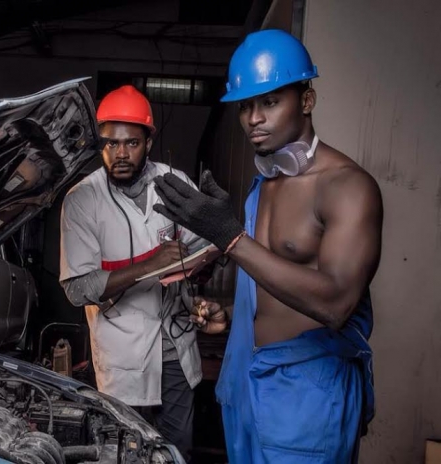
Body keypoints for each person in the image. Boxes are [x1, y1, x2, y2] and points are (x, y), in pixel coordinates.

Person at [153, 29, 383, 463]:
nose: (254, 118)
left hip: (306, 394)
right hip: (248, 385)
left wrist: (231, 237)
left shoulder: (349, 188)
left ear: (307, 101)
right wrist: (235, 318)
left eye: (270, 101)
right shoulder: (266, 184)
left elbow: (335, 302)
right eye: (245, 106)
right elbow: (271, 285)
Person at [59, 84, 210, 459]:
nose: (120, 153)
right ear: (99, 145)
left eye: (132, 143)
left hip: (176, 350)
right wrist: (150, 265)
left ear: (149, 142)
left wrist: (201, 275)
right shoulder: (82, 199)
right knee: (124, 454)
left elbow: (200, 253)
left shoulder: (175, 184)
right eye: (111, 144)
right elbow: (78, 289)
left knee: (178, 453)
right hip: (122, 359)